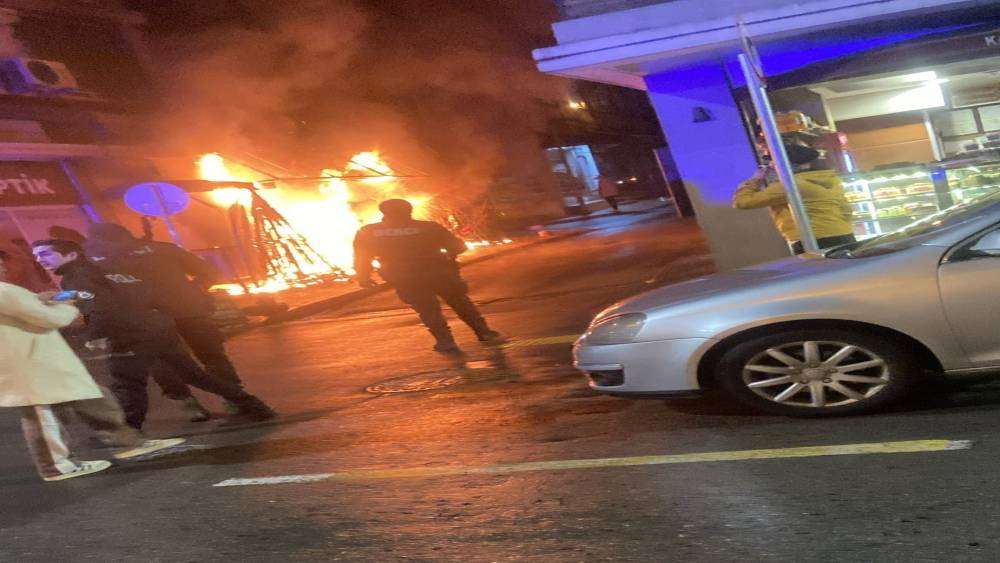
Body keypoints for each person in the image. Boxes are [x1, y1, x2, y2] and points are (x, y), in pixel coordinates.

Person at [31, 239, 276, 429]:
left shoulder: (77, 276)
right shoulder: (106, 270)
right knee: (195, 375)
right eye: (37, 256)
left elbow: (100, 305)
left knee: (127, 383)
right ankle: (254, 405)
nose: (40, 260)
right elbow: (116, 293)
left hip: (129, 334)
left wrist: (94, 336)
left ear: (71, 255)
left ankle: (128, 432)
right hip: (158, 327)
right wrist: (60, 296)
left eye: (45, 254)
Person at [0, 260, 185, 481]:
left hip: (37, 360)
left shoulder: (7, 292)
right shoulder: (5, 291)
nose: (3, 267)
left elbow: (26, 311)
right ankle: (56, 467)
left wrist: (40, 300)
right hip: (29, 363)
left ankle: (127, 443)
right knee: (43, 414)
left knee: (92, 397)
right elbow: (51, 318)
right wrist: (66, 305)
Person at [85, 223, 245, 418]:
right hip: (188, 309)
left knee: (162, 362)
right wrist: (196, 289)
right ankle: (236, 398)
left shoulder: (102, 263)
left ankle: (187, 403)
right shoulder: (165, 249)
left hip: (147, 319)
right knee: (212, 355)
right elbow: (208, 271)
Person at [353, 199, 504, 354]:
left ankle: (446, 342)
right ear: (409, 211)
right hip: (439, 272)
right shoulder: (429, 227)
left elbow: (362, 257)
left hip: (404, 277)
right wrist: (449, 257)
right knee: (461, 303)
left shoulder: (368, 231)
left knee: (427, 309)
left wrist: (363, 276)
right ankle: (484, 333)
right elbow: (458, 247)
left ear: (384, 212)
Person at [733, 144, 856, 254]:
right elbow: (846, 210)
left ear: (787, 164)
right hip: (845, 234)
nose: (773, 167)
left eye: (774, 164)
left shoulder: (789, 185)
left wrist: (756, 180)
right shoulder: (831, 179)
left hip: (813, 239)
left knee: (818, 271)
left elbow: (742, 202)